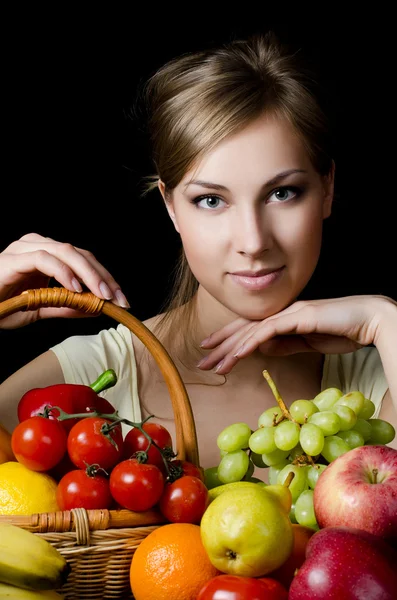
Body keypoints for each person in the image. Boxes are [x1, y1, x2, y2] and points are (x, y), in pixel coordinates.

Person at [0, 32, 396, 474]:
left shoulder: (378, 381)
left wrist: (386, 320)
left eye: (283, 192)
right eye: (211, 200)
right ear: (170, 206)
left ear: (327, 189)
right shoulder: (90, 374)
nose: (253, 240)